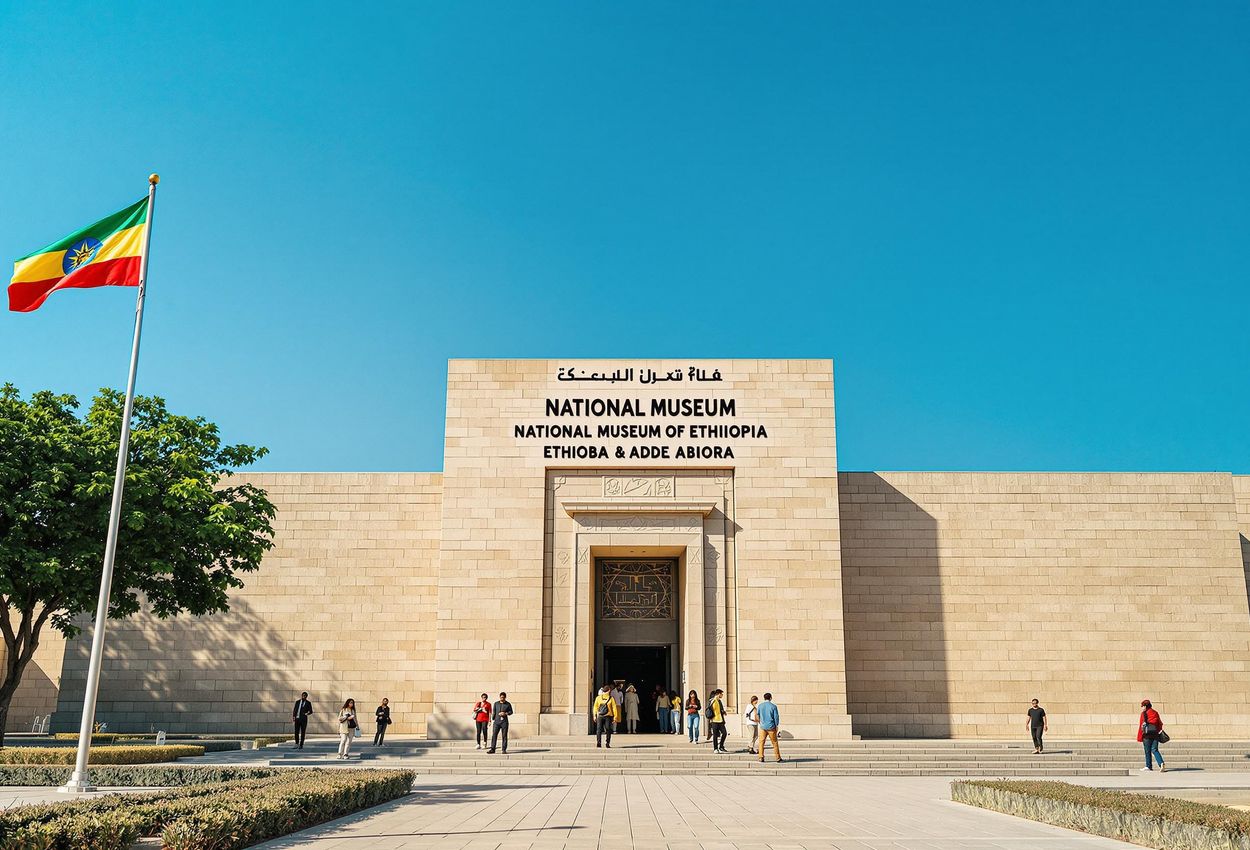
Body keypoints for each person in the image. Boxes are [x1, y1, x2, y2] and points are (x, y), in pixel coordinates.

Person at [1137, 699, 1166, 772]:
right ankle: (1161, 763)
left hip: (1147, 735)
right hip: (1155, 734)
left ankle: (1148, 766)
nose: (1142, 708)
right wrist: (1158, 731)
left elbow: (1141, 725)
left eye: (1143, 706)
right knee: (1155, 750)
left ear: (1146, 706)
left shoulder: (1143, 714)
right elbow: (1160, 723)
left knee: (1147, 751)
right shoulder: (1155, 713)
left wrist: (1140, 736)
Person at [756, 692, 782, 763]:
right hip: (771, 727)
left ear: (764, 698)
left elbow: (757, 715)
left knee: (761, 742)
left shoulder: (760, 706)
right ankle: (777, 757)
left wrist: (760, 722)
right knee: (774, 742)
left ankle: (761, 757)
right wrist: (776, 725)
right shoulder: (773, 706)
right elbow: (776, 717)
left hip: (763, 727)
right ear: (770, 698)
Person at [707, 688, 728, 753]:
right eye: (721, 694)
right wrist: (710, 718)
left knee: (724, 733)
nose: (722, 695)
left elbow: (720, 710)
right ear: (718, 694)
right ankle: (715, 749)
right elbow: (709, 709)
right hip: (714, 720)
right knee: (715, 735)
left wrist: (723, 712)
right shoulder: (712, 700)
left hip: (720, 720)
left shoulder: (719, 701)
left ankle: (721, 746)